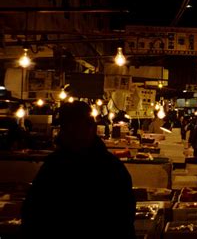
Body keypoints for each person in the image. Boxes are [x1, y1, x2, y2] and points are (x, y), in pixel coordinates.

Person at [21, 101, 136, 238]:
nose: (68, 132)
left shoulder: (55, 165)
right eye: (66, 127)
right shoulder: (112, 166)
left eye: (74, 127)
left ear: (91, 129)